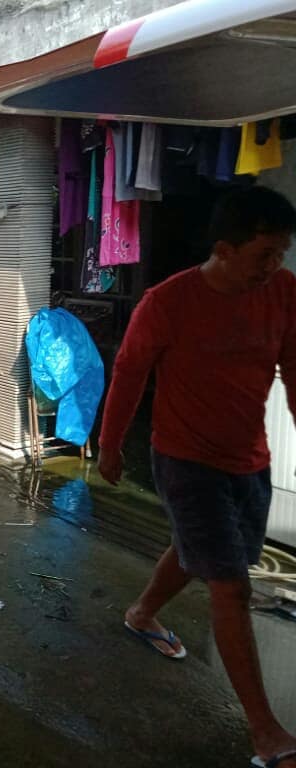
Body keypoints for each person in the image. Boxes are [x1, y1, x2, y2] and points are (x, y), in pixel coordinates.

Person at [98, 186, 296, 768]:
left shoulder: (284, 293)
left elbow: (295, 371)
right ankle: (267, 734)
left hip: (249, 460)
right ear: (224, 249)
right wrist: (110, 447)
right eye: (264, 253)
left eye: (281, 252)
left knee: (200, 552)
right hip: (185, 460)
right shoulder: (167, 302)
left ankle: (140, 614)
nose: (275, 265)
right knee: (230, 584)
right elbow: (130, 374)